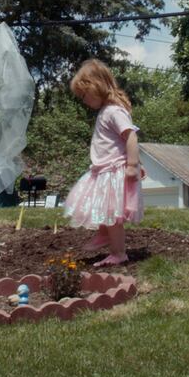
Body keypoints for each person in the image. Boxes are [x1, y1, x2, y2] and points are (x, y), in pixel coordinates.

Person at [63, 59, 144, 267]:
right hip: (103, 170)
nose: (83, 100)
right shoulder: (106, 111)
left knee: (112, 215)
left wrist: (133, 165)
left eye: (84, 95)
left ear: (96, 86)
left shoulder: (114, 111)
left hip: (114, 171)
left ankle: (118, 253)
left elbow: (131, 137)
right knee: (103, 208)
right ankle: (104, 233)